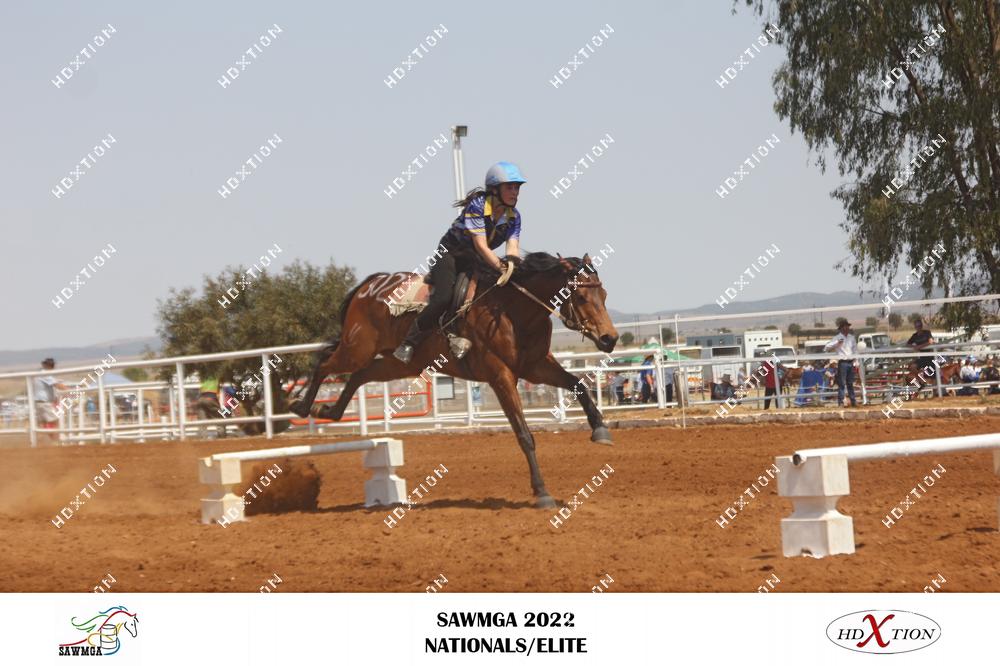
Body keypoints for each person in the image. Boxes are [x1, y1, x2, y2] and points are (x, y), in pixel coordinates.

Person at [393, 162, 526, 364]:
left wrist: (513, 266)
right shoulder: (478, 206)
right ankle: (409, 342)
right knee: (443, 297)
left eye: (517, 187)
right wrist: (501, 268)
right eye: (510, 187)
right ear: (494, 189)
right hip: (450, 255)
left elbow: (513, 247)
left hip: (475, 259)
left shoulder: (514, 216)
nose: (515, 192)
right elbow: (481, 246)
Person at [824, 320, 858, 407]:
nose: (847, 328)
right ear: (841, 328)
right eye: (845, 326)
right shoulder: (837, 338)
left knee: (850, 383)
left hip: (850, 362)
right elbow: (826, 347)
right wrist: (837, 343)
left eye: (847, 326)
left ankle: (853, 401)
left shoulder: (851, 337)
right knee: (842, 383)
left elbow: (855, 350)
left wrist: (856, 361)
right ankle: (841, 402)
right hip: (842, 362)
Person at [33, 358, 67, 442]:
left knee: (45, 424)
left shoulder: (40, 373)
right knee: (55, 421)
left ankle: (44, 441)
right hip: (44, 403)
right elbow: (57, 385)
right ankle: (56, 441)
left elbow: (56, 383)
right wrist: (71, 391)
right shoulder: (45, 374)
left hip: (40, 402)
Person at [196, 372, 227, 439]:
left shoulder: (204, 377)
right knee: (220, 418)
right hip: (210, 398)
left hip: (200, 399)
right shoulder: (217, 374)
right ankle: (221, 437)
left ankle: (202, 439)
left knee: (202, 421)